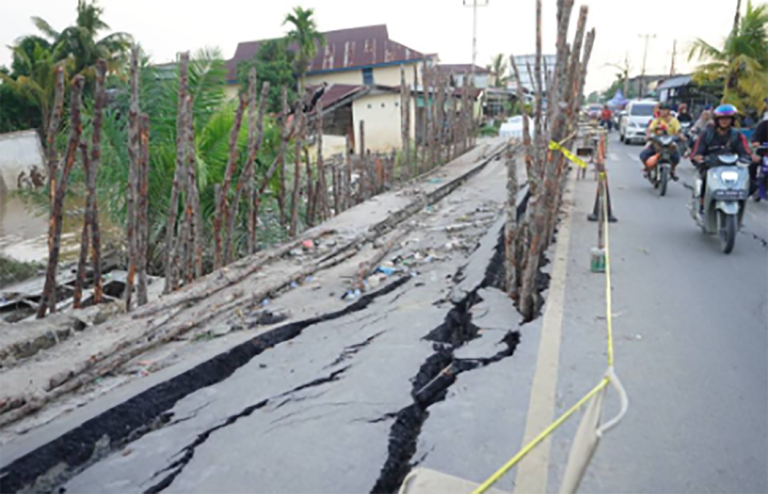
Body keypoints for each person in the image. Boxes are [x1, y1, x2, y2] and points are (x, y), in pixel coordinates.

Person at [692, 104, 752, 210]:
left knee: (747, 181)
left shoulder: (737, 135)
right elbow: (697, 151)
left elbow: (745, 151)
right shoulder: (706, 134)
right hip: (711, 166)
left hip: (732, 167)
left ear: (732, 120)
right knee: (705, 178)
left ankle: (740, 204)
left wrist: (747, 158)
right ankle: (702, 204)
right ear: (716, 120)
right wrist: (699, 158)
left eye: (727, 119)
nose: (724, 121)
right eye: (722, 119)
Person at [640, 103, 683, 180]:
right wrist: (648, 135)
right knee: (643, 155)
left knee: (676, 157)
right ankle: (648, 169)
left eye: (664, 110)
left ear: (668, 111)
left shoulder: (674, 121)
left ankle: (672, 170)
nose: (662, 112)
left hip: (669, 143)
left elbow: (678, 131)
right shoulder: (657, 120)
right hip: (657, 143)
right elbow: (650, 129)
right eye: (661, 110)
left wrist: (681, 137)